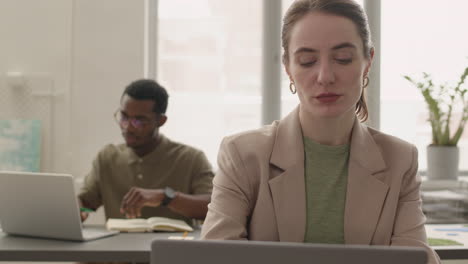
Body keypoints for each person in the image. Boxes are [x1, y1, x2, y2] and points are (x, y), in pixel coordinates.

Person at [201, 0, 440, 263]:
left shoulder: (400, 159)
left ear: (367, 61)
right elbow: (215, 256)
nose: (325, 76)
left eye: (342, 59)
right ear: (288, 68)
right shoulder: (242, 155)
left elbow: (414, 259)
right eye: (307, 61)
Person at [78, 79, 214, 224]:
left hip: (171, 245)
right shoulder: (107, 157)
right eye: (124, 117)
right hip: (117, 246)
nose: (128, 127)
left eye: (139, 120)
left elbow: (214, 208)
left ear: (161, 121)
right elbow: (85, 203)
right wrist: (77, 210)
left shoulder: (191, 159)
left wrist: (165, 197)